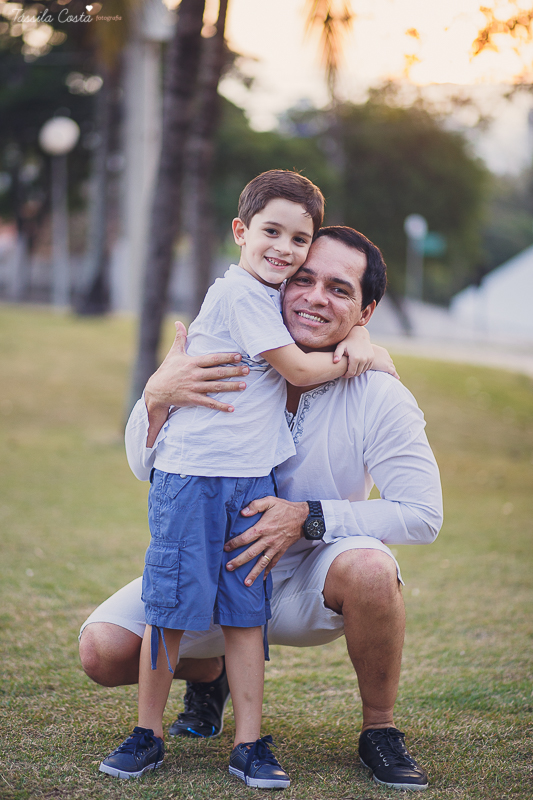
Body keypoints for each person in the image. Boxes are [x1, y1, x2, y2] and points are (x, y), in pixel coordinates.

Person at [80, 225, 443, 792]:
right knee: (101, 653)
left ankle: (380, 728)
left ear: (366, 310)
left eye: (339, 289)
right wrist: (156, 395)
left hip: (313, 579)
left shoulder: (378, 392)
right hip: (217, 561)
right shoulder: (232, 360)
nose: (315, 296)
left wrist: (309, 517)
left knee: (373, 568)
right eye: (303, 278)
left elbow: (423, 514)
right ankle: (209, 670)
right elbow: (144, 466)